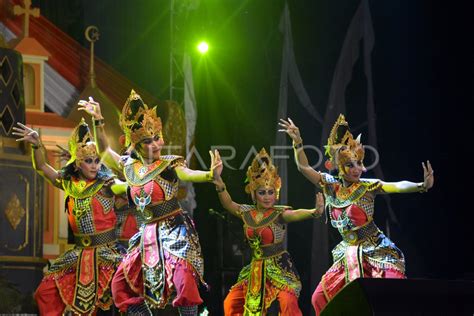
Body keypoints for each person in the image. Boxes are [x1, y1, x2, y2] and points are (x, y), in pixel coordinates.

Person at [77, 90, 221, 315]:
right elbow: (105, 150)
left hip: (173, 229)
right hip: (146, 233)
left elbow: (187, 173)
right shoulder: (130, 167)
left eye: (157, 138)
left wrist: (209, 175)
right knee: (121, 285)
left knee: (183, 280)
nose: (155, 144)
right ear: (136, 144)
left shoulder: (169, 164)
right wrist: (97, 120)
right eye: (147, 140)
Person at [278, 114, 434, 315]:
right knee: (319, 298)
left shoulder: (367, 186)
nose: (357, 169)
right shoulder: (330, 185)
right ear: (338, 166)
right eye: (351, 165)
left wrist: (421, 186)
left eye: (359, 163)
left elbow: (395, 186)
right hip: (347, 251)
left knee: (391, 290)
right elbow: (303, 167)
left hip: (374, 248)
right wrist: (298, 142)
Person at [13, 119, 126, 315]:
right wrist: (37, 144)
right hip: (80, 253)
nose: (94, 166)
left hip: (108, 254)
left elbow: (127, 188)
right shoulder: (68, 183)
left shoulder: (107, 184)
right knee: (44, 292)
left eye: (97, 160)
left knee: (118, 299)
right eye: (88, 161)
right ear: (77, 163)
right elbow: (42, 167)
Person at [213, 147, 324, 316]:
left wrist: (313, 212)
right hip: (256, 269)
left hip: (279, 268)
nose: (267, 197)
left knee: (288, 302)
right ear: (253, 194)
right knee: (231, 303)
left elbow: (294, 214)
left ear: (276, 193)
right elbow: (228, 204)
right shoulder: (246, 212)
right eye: (262, 193)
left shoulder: (278, 214)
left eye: (270, 192)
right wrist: (219, 183)